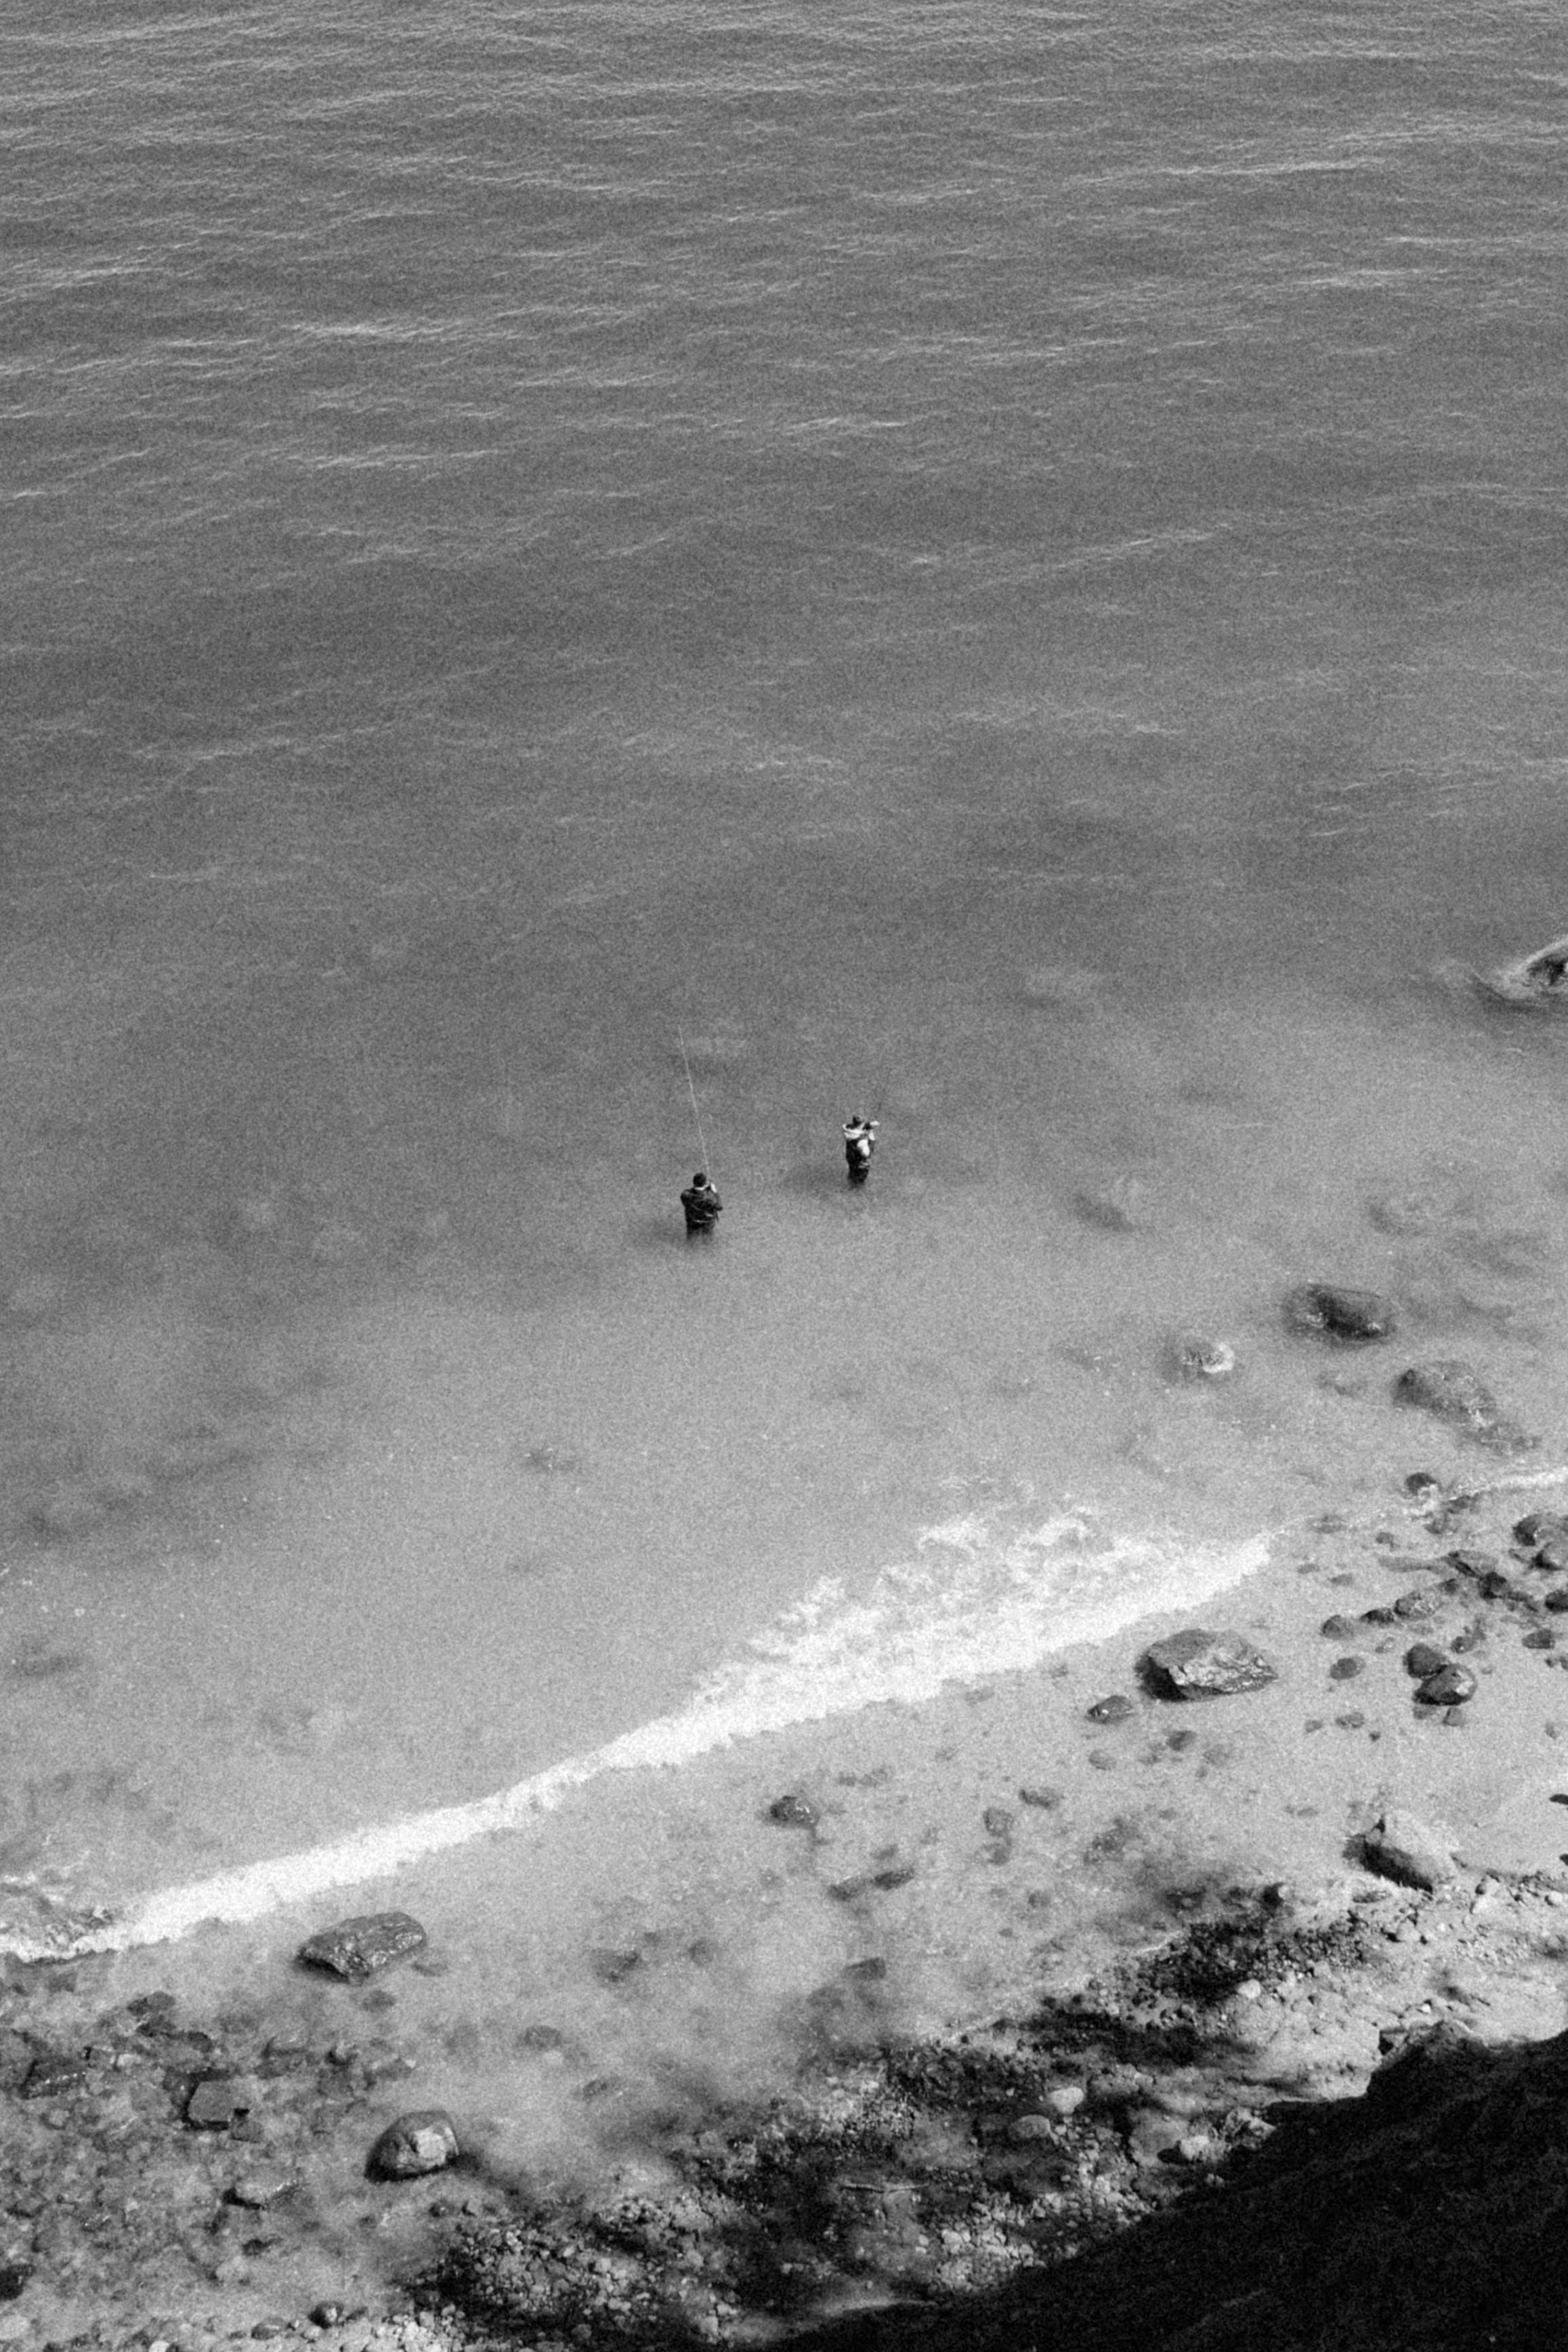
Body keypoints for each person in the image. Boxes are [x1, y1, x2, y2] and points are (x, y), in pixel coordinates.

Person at [680, 1171, 723, 1237]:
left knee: (691, 1241)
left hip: (692, 1223)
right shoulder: (710, 1199)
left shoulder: (685, 1195)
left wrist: (701, 1188)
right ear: (704, 1183)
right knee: (708, 1241)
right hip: (707, 1224)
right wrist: (715, 1192)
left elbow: (692, 1192)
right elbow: (719, 1207)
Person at [843, 1114, 877, 1186]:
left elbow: (858, 1129)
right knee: (858, 1185)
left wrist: (868, 1125)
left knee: (851, 1177)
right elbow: (866, 1154)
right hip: (861, 1168)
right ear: (862, 1124)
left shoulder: (849, 1132)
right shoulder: (861, 1142)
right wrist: (871, 1137)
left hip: (852, 1161)